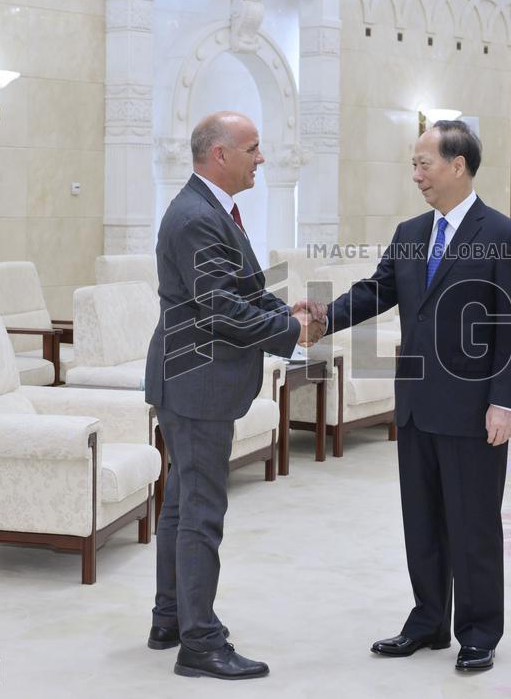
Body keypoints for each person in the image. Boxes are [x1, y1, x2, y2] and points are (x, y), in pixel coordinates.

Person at [296, 120, 511, 672]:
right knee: (422, 518)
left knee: (473, 521)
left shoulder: (504, 235)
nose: (416, 175)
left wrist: (506, 401)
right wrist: (324, 316)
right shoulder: (409, 232)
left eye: (424, 163)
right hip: (416, 402)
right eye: (413, 164)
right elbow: (377, 290)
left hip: (475, 409)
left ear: (458, 165)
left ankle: (478, 630)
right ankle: (428, 620)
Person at [144, 111, 324, 680]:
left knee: (179, 503)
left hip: (190, 377)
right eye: (253, 148)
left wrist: (283, 311)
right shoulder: (197, 216)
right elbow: (219, 309)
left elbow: (236, 288)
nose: (262, 158)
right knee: (201, 511)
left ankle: (170, 615)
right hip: (197, 382)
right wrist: (293, 332)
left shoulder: (210, 210)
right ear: (219, 155)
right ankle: (199, 643)